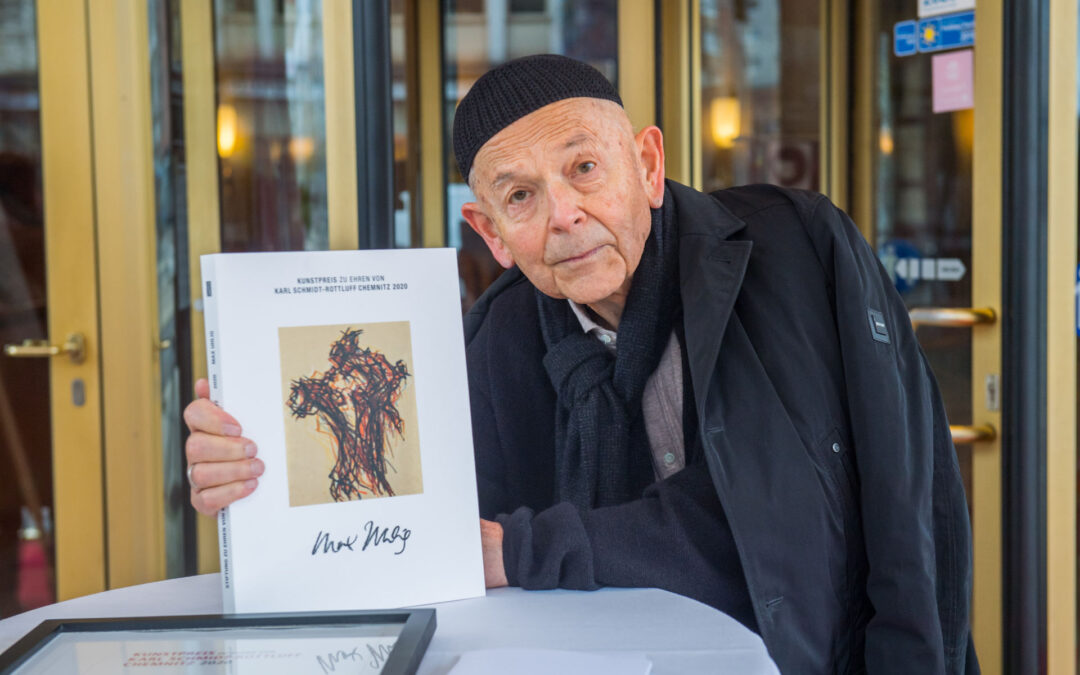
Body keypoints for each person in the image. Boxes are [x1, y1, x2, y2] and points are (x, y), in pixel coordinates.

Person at [184, 54, 976, 673]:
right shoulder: (491, 344)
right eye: (520, 196)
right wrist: (262, 476)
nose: (565, 214)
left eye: (585, 168)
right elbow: (428, 546)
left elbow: (881, 511)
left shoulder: (796, 251)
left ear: (648, 164)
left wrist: (525, 549)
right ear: (490, 231)